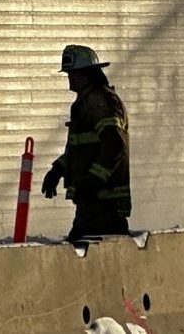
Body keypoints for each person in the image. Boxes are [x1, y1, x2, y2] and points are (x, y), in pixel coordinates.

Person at [41, 44, 132, 242]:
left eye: (73, 74)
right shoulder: (86, 102)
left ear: (86, 74)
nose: (70, 79)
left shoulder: (101, 101)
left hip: (104, 202)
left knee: (84, 251)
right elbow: (82, 149)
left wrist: (94, 180)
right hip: (92, 202)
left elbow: (115, 145)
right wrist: (58, 169)